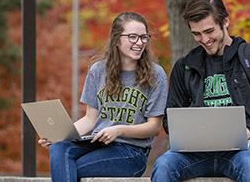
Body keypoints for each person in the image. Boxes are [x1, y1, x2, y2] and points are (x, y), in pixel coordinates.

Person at [151, 0, 250, 182]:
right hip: (195, 153)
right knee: (163, 165)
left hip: (242, 151)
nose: (204, 39)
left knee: (248, 164)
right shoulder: (184, 67)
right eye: (196, 34)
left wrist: (247, 131)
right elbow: (169, 119)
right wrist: (189, 132)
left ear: (225, 22)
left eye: (209, 31)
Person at [38, 12, 168, 182]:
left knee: (66, 169)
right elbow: (90, 120)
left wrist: (119, 130)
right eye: (133, 37)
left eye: (144, 37)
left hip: (131, 152)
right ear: (116, 40)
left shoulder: (156, 74)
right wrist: (57, 136)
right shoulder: (98, 71)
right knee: (58, 148)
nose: (140, 43)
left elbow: (154, 127)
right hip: (97, 143)